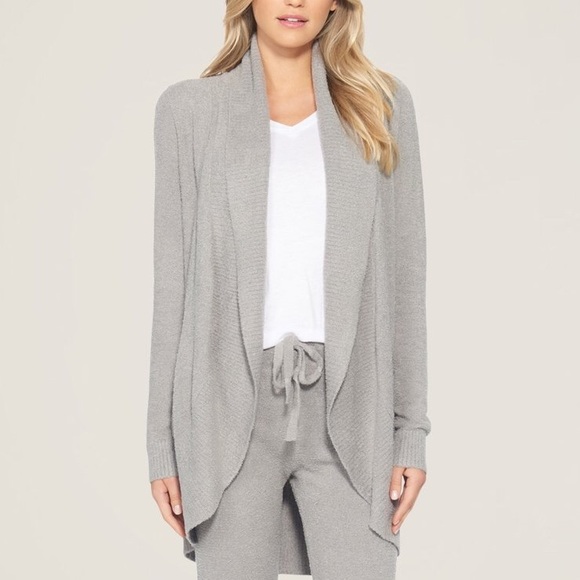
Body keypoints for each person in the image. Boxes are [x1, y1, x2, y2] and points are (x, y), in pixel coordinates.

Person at [146, 0, 432, 578]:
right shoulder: (190, 111)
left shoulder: (381, 105)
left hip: (352, 407)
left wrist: (410, 432)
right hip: (226, 408)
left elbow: (405, 279)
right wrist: (162, 443)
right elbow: (171, 285)